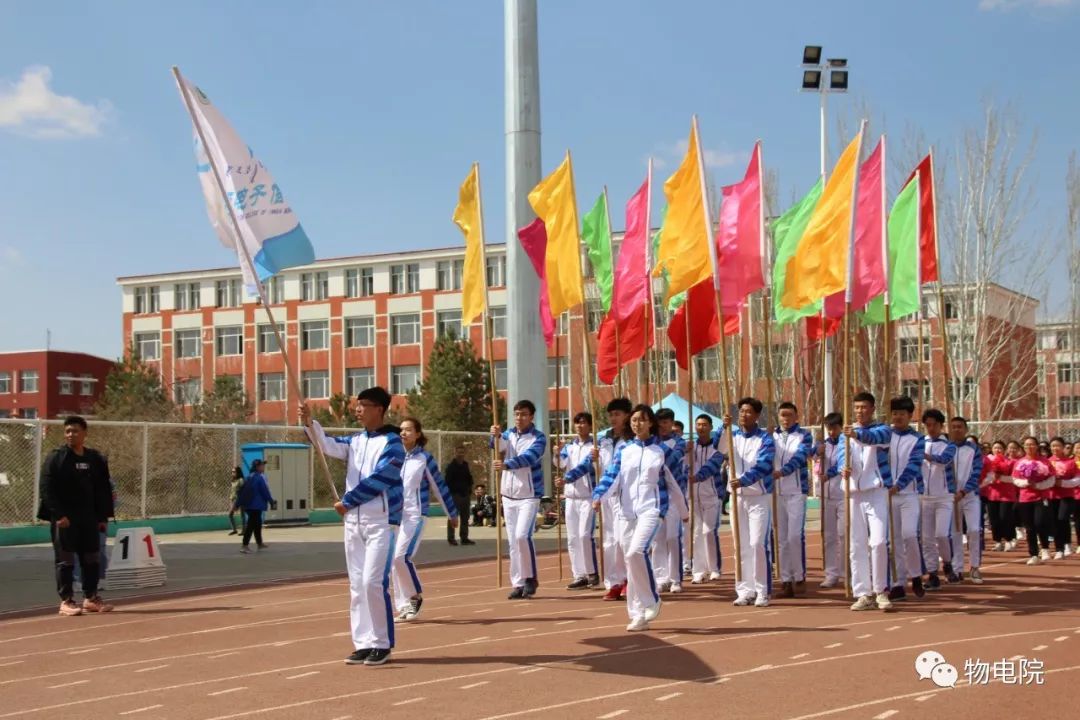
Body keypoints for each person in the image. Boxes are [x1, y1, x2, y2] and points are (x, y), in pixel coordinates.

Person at [300, 386, 404, 667]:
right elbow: (326, 445)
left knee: (373, 582)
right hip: (353, 524)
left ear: (379, 409)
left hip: (380, 523)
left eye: (363, 405)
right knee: (357, 585)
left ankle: (381, 643)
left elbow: (383, 477)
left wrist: (348, 501)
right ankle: (363, 643)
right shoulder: (355, 441)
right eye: (357, 404)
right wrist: (309, 423)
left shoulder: (393, 443)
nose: (357, 409)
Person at [591, 404, 688, 632]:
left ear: (651, 423)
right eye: (634, 420)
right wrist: (598, 496)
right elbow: (611, 476)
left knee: (637, 552)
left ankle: (652, 599)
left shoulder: (662, 451)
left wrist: (683, 511)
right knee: (630, 562)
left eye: (642, 420)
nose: (638, 424)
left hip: (651, 510)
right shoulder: (625, 450)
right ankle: (638, 615)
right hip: (626, 513)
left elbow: (676, 481)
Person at [697, 397, 776, 608]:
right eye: (741, 411)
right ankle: (744, 590)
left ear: (757, 415)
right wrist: (723, 427)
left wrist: (744, 480)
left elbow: (764, 465)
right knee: (740, 545)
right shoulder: (732, 436)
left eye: (748, 411)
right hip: (737, 498)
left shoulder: (765, 440)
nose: (744, 415)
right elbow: (717, 447)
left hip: (758, 497)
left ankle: (762, 591)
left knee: (758, 544)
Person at [38, 416, 115, 616]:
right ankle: (66, 601)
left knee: (92, 558)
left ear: (84, 433)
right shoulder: (57, 458)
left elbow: (103, 488)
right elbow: (46, 488)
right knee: (65, 560)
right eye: (68, 431)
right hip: (65, 518)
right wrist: (59, 515)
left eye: (75, 431)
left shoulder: (95, 458)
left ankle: (91, 598)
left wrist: (102, 517)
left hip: (88, 517)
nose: (71, 434)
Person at [393, 417, 458, 622]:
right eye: (401, 430)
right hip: (395, 517)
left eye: (408, 430)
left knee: (401, 557)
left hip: (415, 515)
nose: (403, 433)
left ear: (418, 434)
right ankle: (403, 606)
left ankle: (415, 597)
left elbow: (439, 486)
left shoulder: (424, 459)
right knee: (393, 561)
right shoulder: (393, 456)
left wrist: (451, 513)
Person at [836, 392, 894, 612]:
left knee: (878, 542)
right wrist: (843, 467)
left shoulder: (883, 430)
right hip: (853, 494)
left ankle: (881, 590)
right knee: (856, 544)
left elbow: (873, 439)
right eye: (857, 407)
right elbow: (842, 455)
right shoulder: (846, 434)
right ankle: (863, 593)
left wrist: (856, 434)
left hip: (876, 491)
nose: (860, 411)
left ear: (872, 409)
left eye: (864, 407)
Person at [491, 400, 547, 600]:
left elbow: (530, 458)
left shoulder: (538, 438)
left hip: (529, 496)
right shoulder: (508, 434)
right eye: (516, 414)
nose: (519, 418)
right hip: (508, 495)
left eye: (523, 414)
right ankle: (518, 582)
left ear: (531, 417)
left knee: (523, 536)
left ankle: (531, 577)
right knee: (513, 542)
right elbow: (496, 446)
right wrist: (495, 435)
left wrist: (507, 465)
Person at [771, 402, 813, 598]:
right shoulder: (771, 436)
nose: (785, 419)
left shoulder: (804, 435)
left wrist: (783, 471)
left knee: (794, 536)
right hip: (776, 491)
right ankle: (785, 580)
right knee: (781, 539)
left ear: (796, 417)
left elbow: (800, 457)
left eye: (789, 415)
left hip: (796, 491)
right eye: (782, 415)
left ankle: (799, 576)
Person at [886, 396, 926, 601]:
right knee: (893, 541)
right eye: (894, 413)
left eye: (902, 414)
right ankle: (898, 583)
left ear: (910, 415)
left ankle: (916, 575)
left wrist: (898, 485)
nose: (898, 417)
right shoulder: (885, 436)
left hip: (909, 494)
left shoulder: (918, 439)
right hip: (887, 495)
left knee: (909, 534)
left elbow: (914, 465)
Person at [556, 411, 600, 590]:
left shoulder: (595, 446)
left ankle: (592, 572)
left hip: (588, 497)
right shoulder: (569, 447)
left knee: (584, 535)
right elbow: (560, 464)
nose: (580, 426)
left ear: (590, 425)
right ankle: (579, 575)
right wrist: (557, 453)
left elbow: (586, 466)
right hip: (571, 497)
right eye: (577, 423)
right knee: (573, 538)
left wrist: (567, 478)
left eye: (583, 423)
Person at [598, 398, 633, 600]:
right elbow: (596, 467)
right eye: (611, 415)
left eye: (617, 414)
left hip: (625, 496)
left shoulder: (631, 441)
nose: (613, 418)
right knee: (609, 542)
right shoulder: (604, 440)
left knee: (622, 540)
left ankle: (628, 579)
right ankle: (613, 583)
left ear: (627, 416)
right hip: (607, 496)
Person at [920, 409, 957, 588]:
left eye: (934, 425)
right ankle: (932, 573)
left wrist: (927, 456)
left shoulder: (949, 445)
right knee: (926, 538)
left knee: (941, 534)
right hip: (924, 497)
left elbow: (944, 460)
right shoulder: (920, 443)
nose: (931, 428)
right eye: (928, 425)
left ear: (941, 425)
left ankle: (947, 563)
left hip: (944, 496)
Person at [654, 408, 688, 593]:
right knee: (657, 539)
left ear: (672, 423)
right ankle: (661, 577)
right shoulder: (651, 441)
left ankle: (675, 578)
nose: (662, 426)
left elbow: (671, 460)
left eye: (666, 422)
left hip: (674, 495)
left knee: (672, 537)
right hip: (657, 495)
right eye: (659, 423)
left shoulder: (680, 442)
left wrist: (656, 444)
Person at [689, 414, 725, 584]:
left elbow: (712, 466)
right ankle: (698, 570)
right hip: (694, 496)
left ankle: (714, 568)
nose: (701, 427)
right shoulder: (691, 447)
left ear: (710, 427)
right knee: (697, 533)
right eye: (698, 424)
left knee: (708, 531)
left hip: (712, 495)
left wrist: (725, 424)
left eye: (704, 424)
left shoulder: (716, 447)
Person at [948, 417, 984, 583]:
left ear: (966, 429)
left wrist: (963, 491)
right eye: (953, 427)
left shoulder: (973, 449)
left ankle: (975, 567)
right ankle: (957, 568)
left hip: (970, 496)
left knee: (974, 530)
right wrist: (950, 491)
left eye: (959, 427)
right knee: (955, 533)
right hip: (951, 497)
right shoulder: (946, 448)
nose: (956, 430)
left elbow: (976, 473)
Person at [816, 413, 845, 589]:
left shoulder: (846, 443)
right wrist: (816, 452)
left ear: (841, 427)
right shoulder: (824, 445)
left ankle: (846, 572)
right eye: (829, 429)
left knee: (843, 534)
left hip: (843, 495)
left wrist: (829, 474)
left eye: (834, 428)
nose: (832, 432)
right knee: (829, 536)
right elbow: (811, 455)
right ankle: (831, 573)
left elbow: (842, 464)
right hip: (826, 496)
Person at [1013, 436, 1053, 565]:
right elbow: (1015, 479)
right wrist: (1026, 482)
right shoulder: (1020, 463)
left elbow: (1051, 479)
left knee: (1040, 523)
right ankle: (1034, 554)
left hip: (1041, 497)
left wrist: (1038, 485)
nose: (1029, 447)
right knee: (1029, 528)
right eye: (1026, 445)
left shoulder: (1045, 462)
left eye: (1032, 444)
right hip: (1025, 498)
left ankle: (1045, 548)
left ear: (1037, 446)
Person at [985, 441, 1017, 552]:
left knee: (1005, 518)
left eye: (1000, 448)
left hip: (1006, 495)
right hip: (992, 494)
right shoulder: (988, 461)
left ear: (1004, 450)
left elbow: (1014, 478)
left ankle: (1008, 540)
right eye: (995, 448)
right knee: (994, 520)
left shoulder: (1011, 462)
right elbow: (983, 476)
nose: (997, 450)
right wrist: (991, 478)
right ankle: (998, 541)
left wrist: (1000, 477)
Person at [1047, 437, 1076, 559]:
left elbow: (1076, 479)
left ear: (1063, 447)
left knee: (1062, 518)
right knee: (1054, 521)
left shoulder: (1070, 462)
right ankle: (1059, 548)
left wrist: (1063, 483)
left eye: (1058, 445)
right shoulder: (1047, 462)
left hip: (1066, 495)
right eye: (1053, 446)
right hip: (1051, 495)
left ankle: (1067, 543)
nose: (1055, 448)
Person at [238, 459, 275, 553]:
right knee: (251, 526)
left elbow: (241, 492)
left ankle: (259, 543)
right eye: (262, 465)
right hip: (255, 506)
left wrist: (238, 503)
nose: (263, 467)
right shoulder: (258, 478)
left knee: (257, 524)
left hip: (250, 505)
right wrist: (271, 501)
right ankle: (244, 546)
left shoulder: (249, 477)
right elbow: (264, 491)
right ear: (257, 467)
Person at [444, 445, 475, 546]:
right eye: (458, 452)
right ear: (455, 453)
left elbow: (469, 478)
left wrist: (469, 490)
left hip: (465, 495)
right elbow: (447, 482)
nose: (460, 454)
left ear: (464, 453)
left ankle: (464, 538)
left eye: (462, 452)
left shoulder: (465, 465)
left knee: (465, 517)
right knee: (453, 516)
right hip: (455, 495)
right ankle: (451, 538)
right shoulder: (451, 467)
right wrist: (452, 493)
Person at [228, 466, 244, 536]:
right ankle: (234, 530)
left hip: (240, 499)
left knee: (242, 514)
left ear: (238, 472)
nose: (232, 473)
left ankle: (243, 530)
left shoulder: (241, 480)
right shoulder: (233, 480)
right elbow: (233, 491)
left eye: (234, 472)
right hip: (234, 499)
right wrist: (231, 498)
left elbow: (243, 489)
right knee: (230, 514)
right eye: (232, 472)